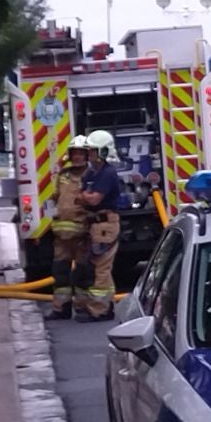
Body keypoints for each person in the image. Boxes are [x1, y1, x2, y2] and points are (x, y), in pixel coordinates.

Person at [76, 129, 121, 322]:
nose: (90, 154)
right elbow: (82, 195)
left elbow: (93, 199)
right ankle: (106, 304)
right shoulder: (92, 173)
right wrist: (84, 196)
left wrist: (84, 196)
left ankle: (99, 310)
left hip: (105, 225)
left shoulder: (107, 173)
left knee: (100, 269)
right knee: (98, 266)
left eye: (93, 150)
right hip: (95, 225)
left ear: (103, 151)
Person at [46, 136, 92, 321]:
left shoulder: (91, 175)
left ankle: (81, 308)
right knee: (60, 272)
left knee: (82, 273)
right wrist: (50, 216)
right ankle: (61, 308)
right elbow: (55, 197)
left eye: (81, 153)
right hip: (61, 235)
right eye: (75, 153)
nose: (78, 157)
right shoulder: (63, 175)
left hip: (82, 233)